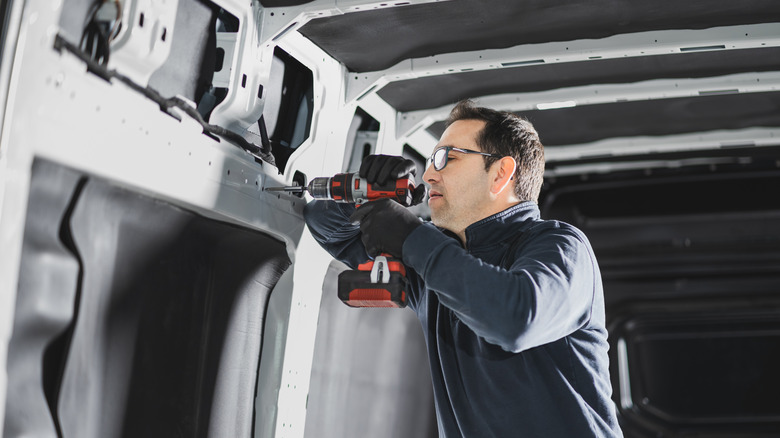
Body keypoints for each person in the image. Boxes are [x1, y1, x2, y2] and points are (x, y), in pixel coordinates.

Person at [304, 100, 623, 437]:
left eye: (447, 158)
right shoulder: (435, 265)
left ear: (500, 173)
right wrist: (365, 193)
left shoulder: (561, 247)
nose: (428, 174)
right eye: (430, 160)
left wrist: (413, 236)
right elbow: (326, 226)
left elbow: (517, 318)